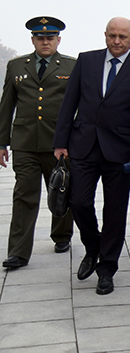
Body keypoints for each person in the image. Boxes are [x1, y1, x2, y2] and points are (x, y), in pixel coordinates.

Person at [52, 17, 130, 295]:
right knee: (79, 202)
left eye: (122, 36)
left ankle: (107, 268)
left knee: (114, 212)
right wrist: (60, 141)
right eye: (112, 36)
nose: (117, 41)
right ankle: (92, 246)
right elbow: (69, 102)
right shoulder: (86, 61)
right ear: (105, 36)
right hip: (82, 145)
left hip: (119, 151)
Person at [0, 17, 74, 269]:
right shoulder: (16, 66)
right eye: (40, 38)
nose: (45, 42)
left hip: (60, 143)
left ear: (58, 40)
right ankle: (18, 252)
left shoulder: (71, 66)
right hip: (25, 142)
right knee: (24, 196)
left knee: (61, 190)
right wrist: (2, 144)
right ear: (33, 40)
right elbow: (6, 106)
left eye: (50, 38)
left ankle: (62, 235)